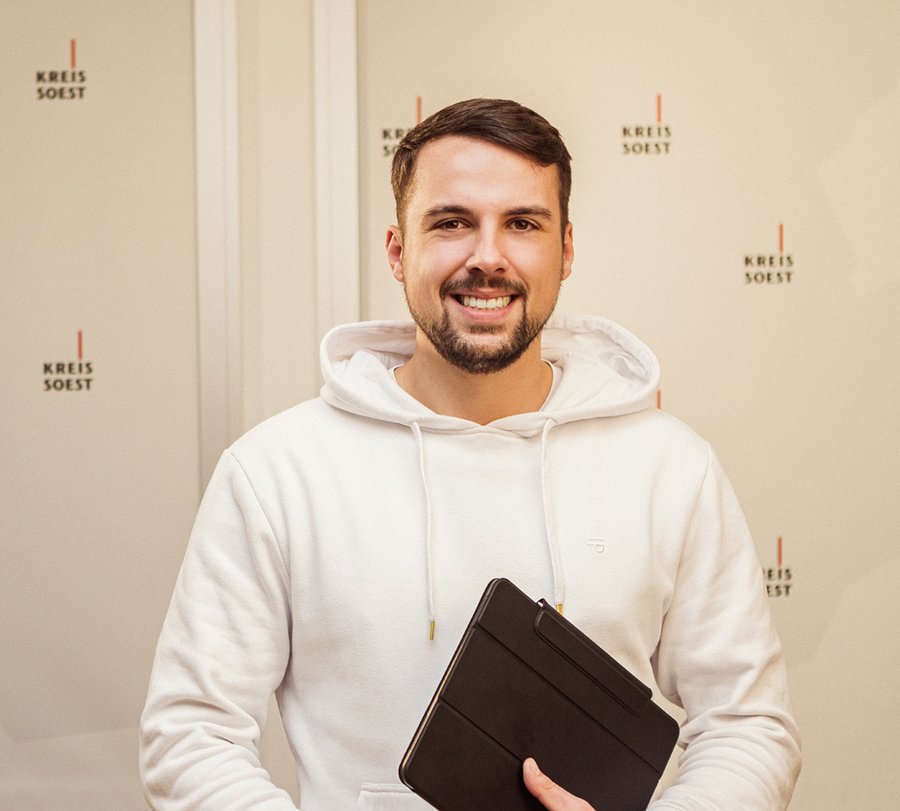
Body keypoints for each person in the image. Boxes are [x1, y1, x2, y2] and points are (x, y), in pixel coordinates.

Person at [140, 98, 801, 810]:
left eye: (522, 224)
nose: (487, 257)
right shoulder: (276, 472)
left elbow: (748, 726)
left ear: (566, 250)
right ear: (398, 251)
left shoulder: (671, 469)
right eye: (452, 222)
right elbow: (191, 737)